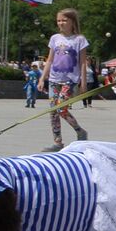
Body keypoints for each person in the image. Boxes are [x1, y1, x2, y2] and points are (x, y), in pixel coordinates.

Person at [38, 9, 90, 151]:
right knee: (53, 111)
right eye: (59, 20)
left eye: (64, 20)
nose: (61, 23)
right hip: (54, 79)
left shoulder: (80, 39)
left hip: (70, 80)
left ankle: (80, 131)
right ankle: (57, 142)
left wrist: (83, 83)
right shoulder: (55, 38)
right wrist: (42, 78)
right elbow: (49, 60)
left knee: (61, 107)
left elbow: (83, 62)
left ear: (72, 22)